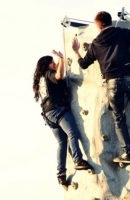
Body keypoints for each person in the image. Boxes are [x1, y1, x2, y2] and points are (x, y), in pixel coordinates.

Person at [72, 11, 130, 162]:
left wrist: (76, 52)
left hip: (112, 83)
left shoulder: (96, 43)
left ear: (98, 25)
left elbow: (83, 64)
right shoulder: (124, 33)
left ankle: (128, 153)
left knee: (119, 118)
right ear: (110, 21)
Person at [33, 50, 92, 189]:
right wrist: (61, 58)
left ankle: (61, 175)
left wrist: (60, 60)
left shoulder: (41, 79)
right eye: (52, 63)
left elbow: (59, 71)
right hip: (57, 110)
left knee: (61, 143)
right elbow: (59, 75)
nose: (54, 64)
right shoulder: (48, 75)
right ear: (47, 66)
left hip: (48, 115)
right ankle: (78, 160)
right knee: (72, 133)